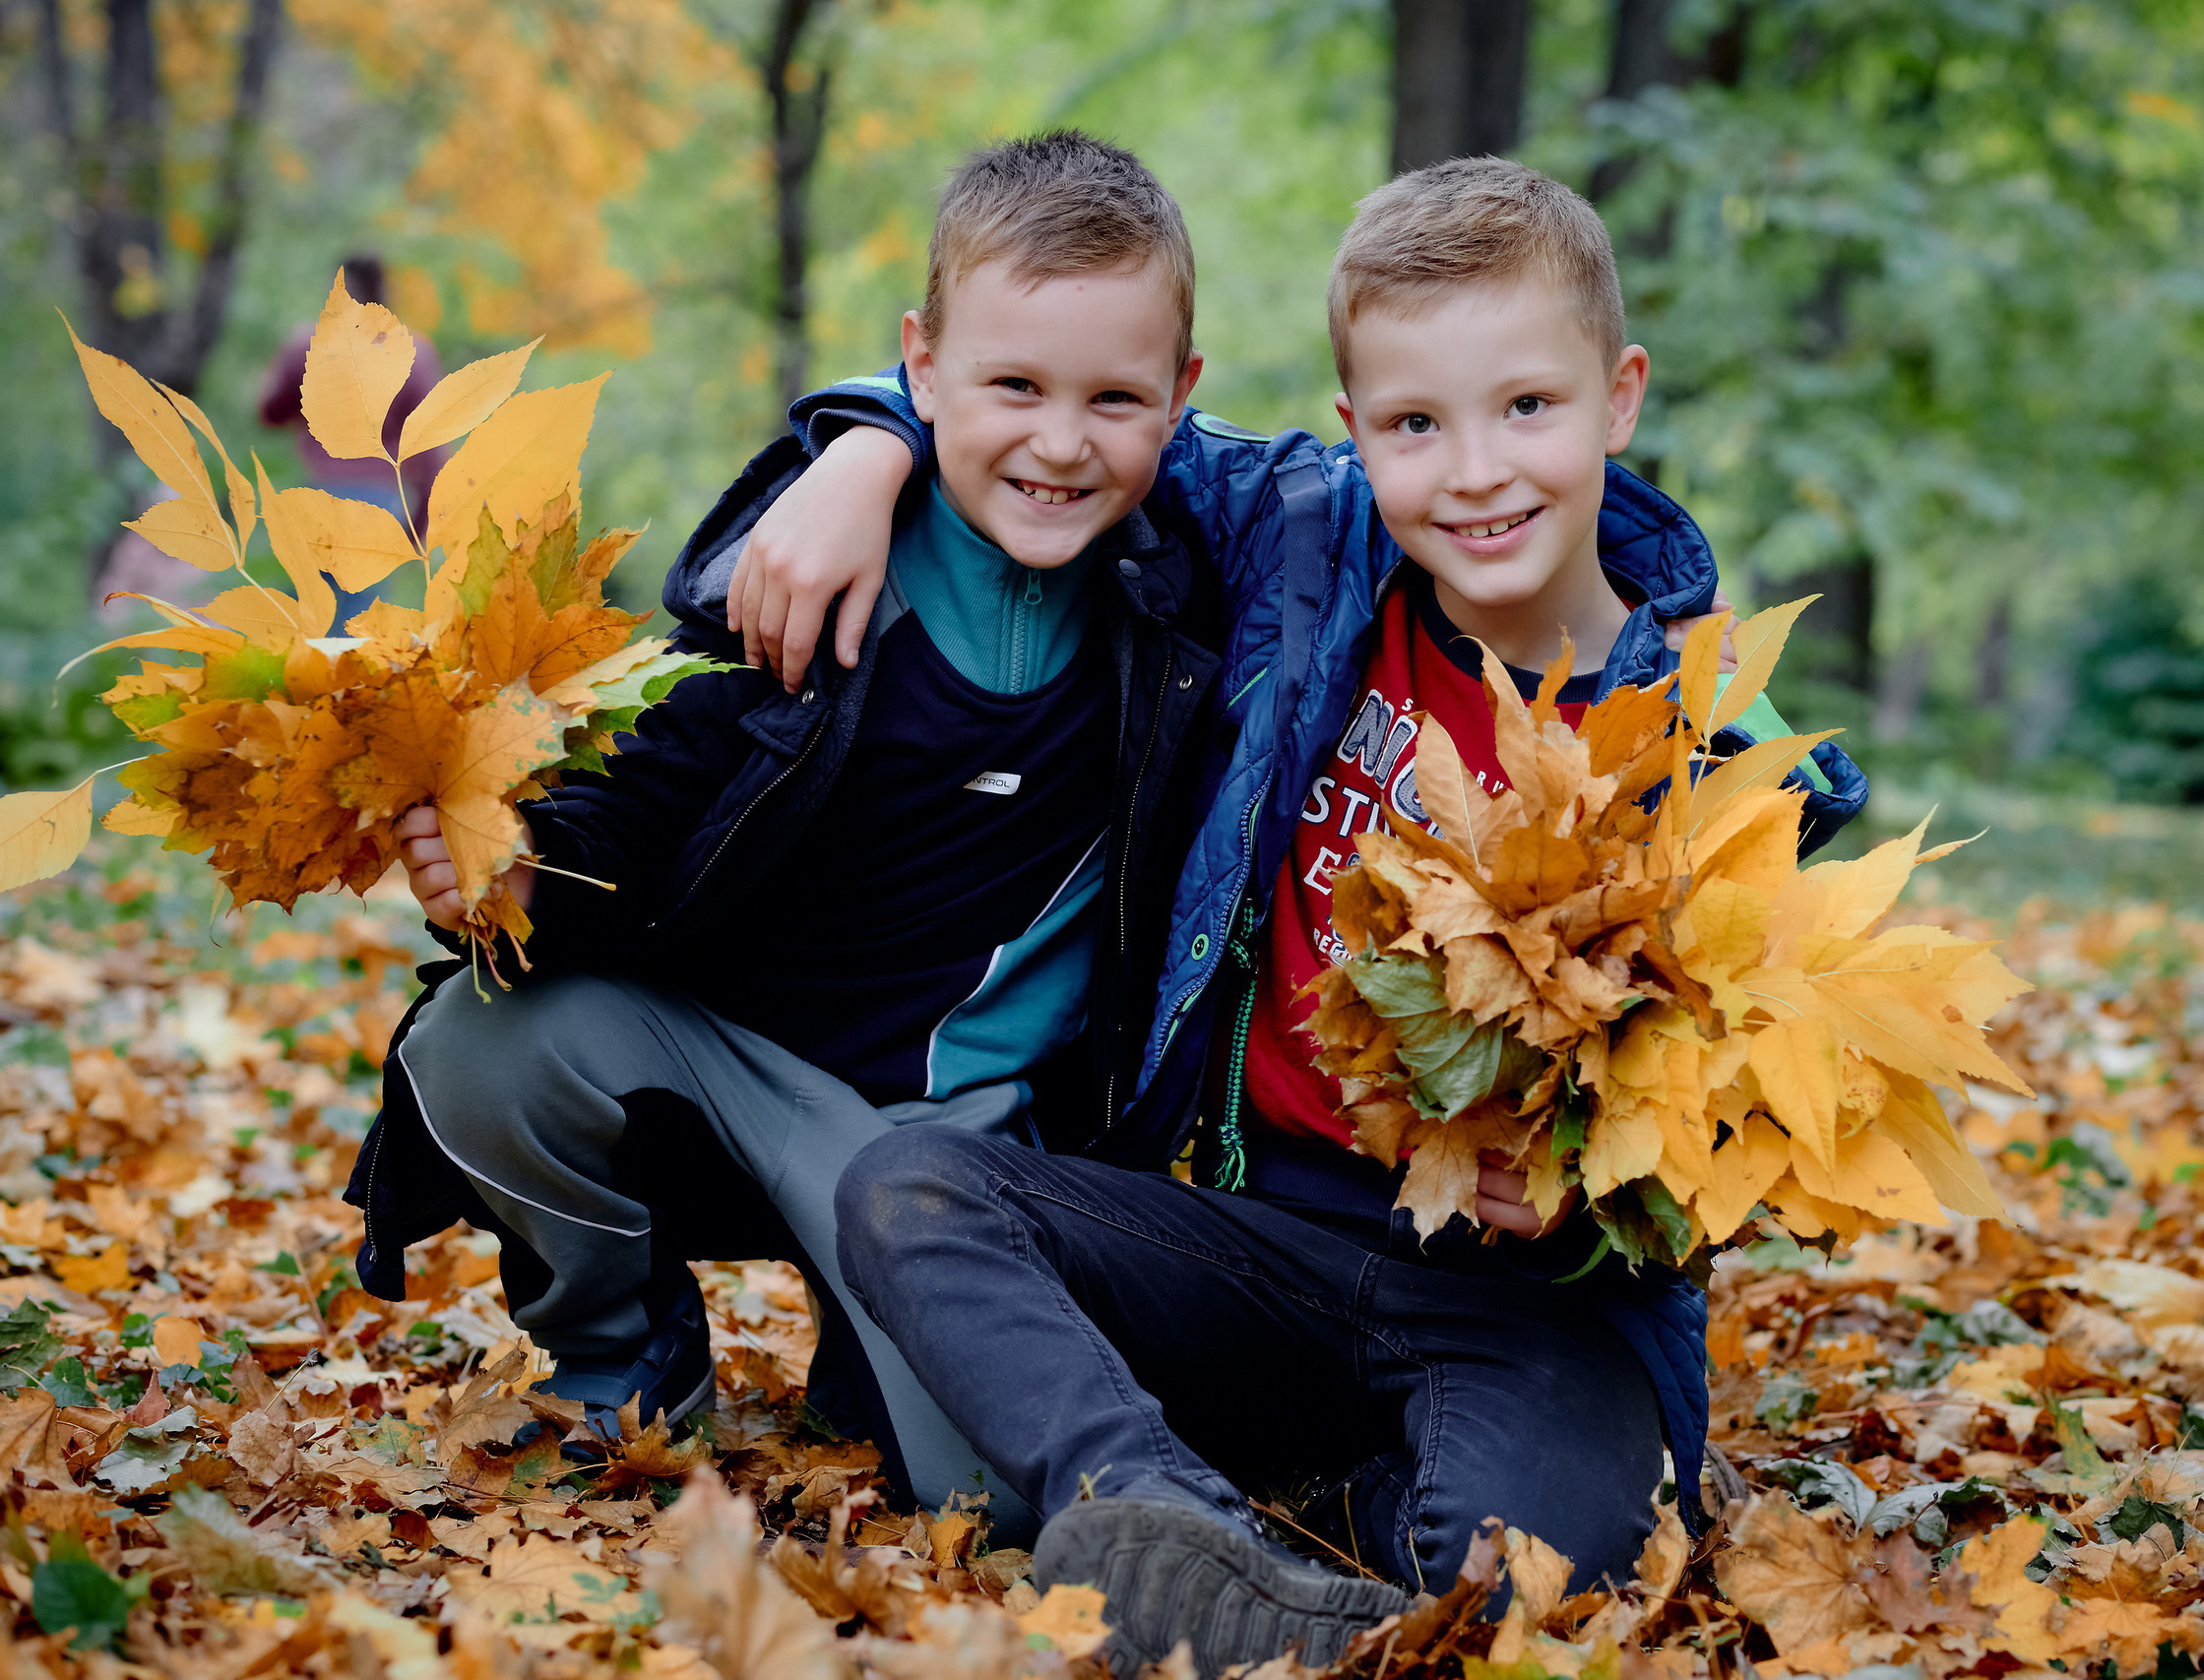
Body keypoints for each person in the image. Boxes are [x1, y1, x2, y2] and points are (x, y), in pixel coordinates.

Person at [732, 157, 1868, 1675]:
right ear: (1356, 432)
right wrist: (859, 446)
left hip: (1522, 1307)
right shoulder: (1304, 552)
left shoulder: (1716, 740)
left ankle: (1335, 1549)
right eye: (1415, 423)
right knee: (913, 1189)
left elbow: (1783, 1117)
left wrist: (1615, 1187)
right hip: (1252, 1238)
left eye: (1526, 407)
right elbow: (1066, 404)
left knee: (1510, 1575)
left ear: (1621, 395)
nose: (1474, 472)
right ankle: (1149, 1504)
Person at [343, 135, 1229, 1538]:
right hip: (727, 1065)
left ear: (1180, 398)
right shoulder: (811, 569)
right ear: (924, 364)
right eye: (1012, 385)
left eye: (1113, 397)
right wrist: (511, 874)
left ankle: (863, 1343)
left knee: (987, 1500)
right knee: (481, 1042)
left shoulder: (1188, 598)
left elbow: (1411, 475)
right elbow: (656, 790)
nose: (1061, 441)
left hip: (949, 1144)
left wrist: (864, 433)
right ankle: (624, 1363)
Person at [256, 254, 447, 625]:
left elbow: (269, 413)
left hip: (320, 495)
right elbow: (432, 448)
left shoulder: (308, 346)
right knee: (359, 622)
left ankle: (310, 679)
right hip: (379, 504)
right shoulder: (413, 354)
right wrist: (420, 528)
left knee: (313, 617)